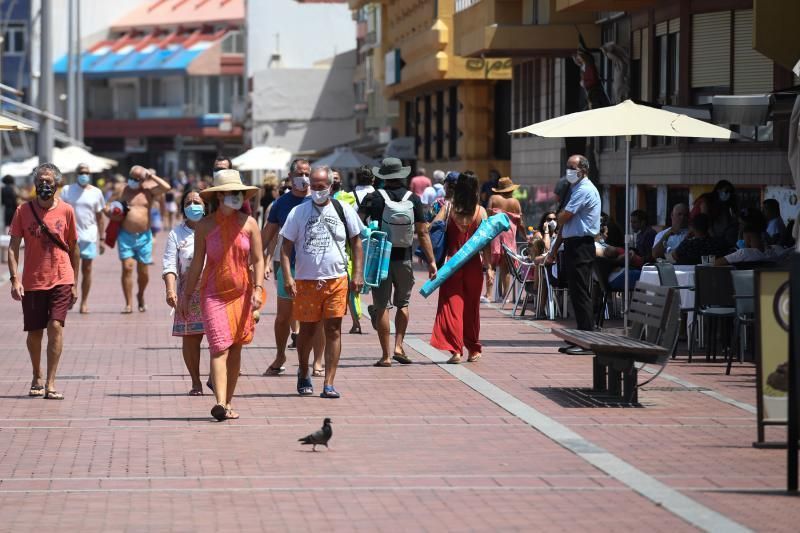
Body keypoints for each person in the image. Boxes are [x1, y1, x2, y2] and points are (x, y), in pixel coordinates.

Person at [180, 170, 264, 421]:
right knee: (219, 347)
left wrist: (258, 289)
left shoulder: (249, 223)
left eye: (238, 192)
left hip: (242, 293)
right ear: (219, 195)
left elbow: (258, 260)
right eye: (230, 192)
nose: (234, 196)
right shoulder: (205, 226)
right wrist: (185, 295)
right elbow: (197, 264)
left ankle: (228, 402)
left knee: (236, 348)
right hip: (213, 295)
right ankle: (218, 402)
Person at [279, 166, 364, 398]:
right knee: (307, 330)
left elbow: (357, 243)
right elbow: (285, 248)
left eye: (321, 186)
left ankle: (329, 382)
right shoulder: (298, 213)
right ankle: (304, 370)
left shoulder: (344, 210)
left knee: (334, 329)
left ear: (330, 186)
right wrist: (287, 276)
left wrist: (358, 273)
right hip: (306, 281)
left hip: (336, 279)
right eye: (313, 186)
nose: (317, 191)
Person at [7, 163, 79, 400]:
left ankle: (51, 382)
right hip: (33, 280)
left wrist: (75, 282)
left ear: (57, 184)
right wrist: (14, 278)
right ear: (35, 184)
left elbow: (73, 247)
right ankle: (36, 375)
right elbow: (13, 247)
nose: (44, 185)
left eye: (48, 181)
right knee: (35, 332)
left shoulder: (67, 210)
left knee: (56, 326)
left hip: (61, 277)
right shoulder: (22, 211)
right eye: (40, 181)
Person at [360, 158, 437, 367]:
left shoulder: (373, 197)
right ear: (401, 175)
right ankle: (398, 346)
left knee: (382, 305)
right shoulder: (413, 198)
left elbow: (358, 225)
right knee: (403, 303)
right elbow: (422, 232)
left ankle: (385, 356)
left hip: (378, 259)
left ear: (383, 175)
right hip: (404, 258)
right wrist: (431, 261)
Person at [261, 160, 325, 376]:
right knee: (283, 317)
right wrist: (257, 260)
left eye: (307, 173)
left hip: (316, 269)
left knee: (317, 318)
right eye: (300, 173)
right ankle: (280, 355)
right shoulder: (281, 204)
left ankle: (317, 361)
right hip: (290, 267)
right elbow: (266, 236)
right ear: (290, 176)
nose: (304, 177)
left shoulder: (321, 200)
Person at [430, 171, 488, 364]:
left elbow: (433, 227)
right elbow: (487, 241)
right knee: (471, 309)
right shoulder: (481, 211)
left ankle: (455, 350)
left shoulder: (448, 208)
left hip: (452, 264)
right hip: (473, 265)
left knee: (452, 307)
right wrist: (489, 268)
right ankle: (473, 349)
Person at [548, 155, 600, 356]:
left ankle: (588, 340)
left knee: (581, 292)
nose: (568, 170)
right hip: (572, 244)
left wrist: (557, 214)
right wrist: (553, 251)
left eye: (572, 167)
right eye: (567, 166)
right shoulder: (575, 189)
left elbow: (563, 217)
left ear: (583, 169)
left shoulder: (584, 190)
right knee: (576, 292)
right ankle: (582, 336)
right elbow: (565, 226)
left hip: (581, 246)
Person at [106, 165, 171, 313]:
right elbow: (107, 205)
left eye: (137, 179)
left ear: (143, 179)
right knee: (127, 268)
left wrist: (151, 176)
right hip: (125, 235)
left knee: (143, 272)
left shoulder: (148, 190)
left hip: (144, 237)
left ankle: (140, 295)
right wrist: (111, 213)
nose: (133, 181)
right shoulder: (121, 189)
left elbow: (166, 187)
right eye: (131, 177)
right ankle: (128, 303)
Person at [163, 191, 207, 396]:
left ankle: (217, 377)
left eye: (197, 202)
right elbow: (170, 264)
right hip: (189, 295)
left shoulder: (214, 227)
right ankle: (196, 382)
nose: (192, 206)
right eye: (188, 203)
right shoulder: (176, 234)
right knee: (190, 339)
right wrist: (170, 289)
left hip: (215, 292)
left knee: (222, 339)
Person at [60, 163, 106, 314]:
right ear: (77, 173)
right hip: (70, 237)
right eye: (81, 172)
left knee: (87, 269)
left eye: (86, 172)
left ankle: (84, 302)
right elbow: (60, 213)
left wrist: (102, 238)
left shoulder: (96, 192)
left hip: (89, 237)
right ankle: (69, 296)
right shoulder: (67, 190)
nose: (84, 175)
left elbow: (100, 217)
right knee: (69, 270)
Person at [331, 169, 363, 335]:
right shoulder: (320, 200)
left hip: (346, 248)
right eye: (332, 178)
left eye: (337, 178)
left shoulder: (348, 198)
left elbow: (356, 226)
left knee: (351, 286)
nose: (334, 181)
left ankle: (356, 319)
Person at [485, 177, 524, 303]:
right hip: (509, 236)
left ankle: (489, 295)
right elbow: (520, 223)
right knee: (505, 268)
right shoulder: (515, 202)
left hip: (495, 235)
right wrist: (525, 236)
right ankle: (505, 296)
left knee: (490, 265)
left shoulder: (493, 199)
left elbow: (487, 216)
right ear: (511, 190)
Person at [715, 220, 786, 266]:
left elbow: (717, 263)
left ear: (748, 238)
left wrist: (706, 260)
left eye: (744, 239)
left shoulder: (745, 253)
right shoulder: (778, 249)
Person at [692, 180, 739, 246]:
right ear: (718, 190)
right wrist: (713, 239)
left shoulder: (723, 204)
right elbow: (704, 221)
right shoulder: (705, 201)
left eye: (730, 192)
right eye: (726, 191)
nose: (728, 194)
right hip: (698, 229)